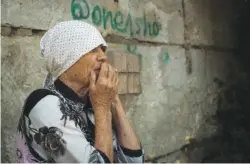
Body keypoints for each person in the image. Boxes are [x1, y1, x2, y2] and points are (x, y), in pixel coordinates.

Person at [16, 20, 144, 163]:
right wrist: (102, 106)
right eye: (92, 50)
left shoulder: (92, 100)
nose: (103, 56)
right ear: (66, 58)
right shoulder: (43, 103)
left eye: (102, 50)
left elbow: (135, 161)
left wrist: (113, 99)